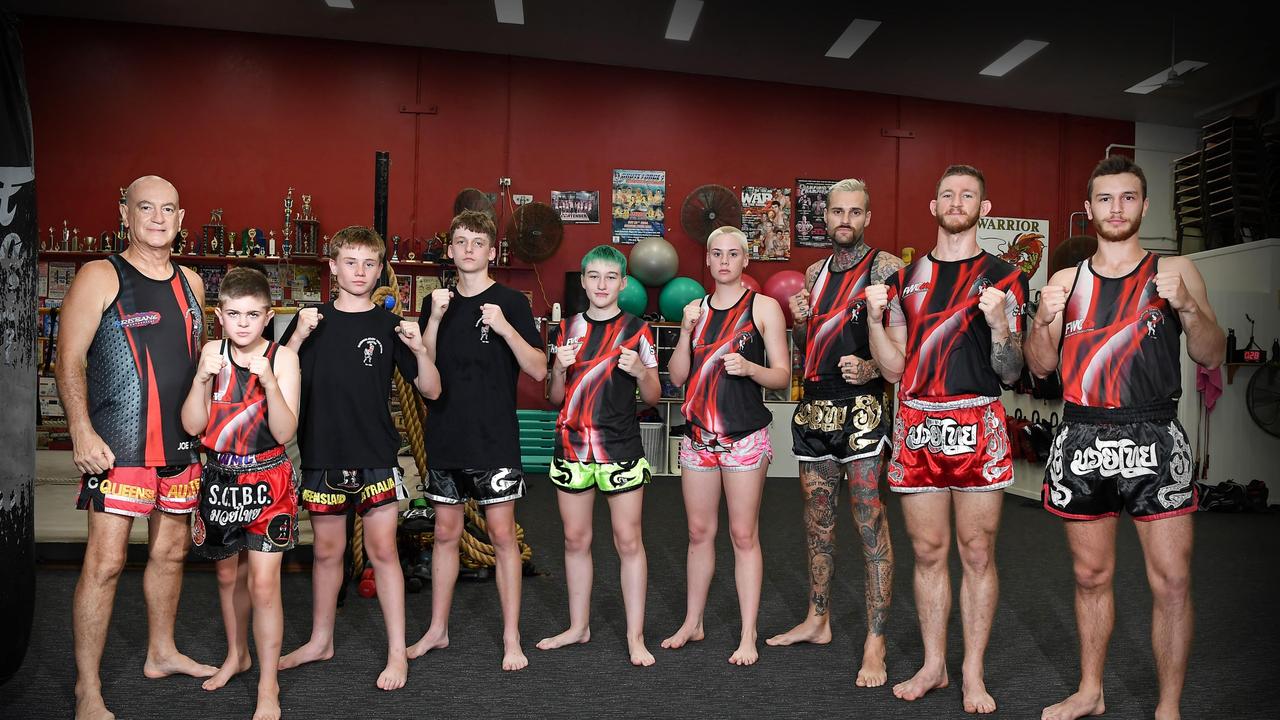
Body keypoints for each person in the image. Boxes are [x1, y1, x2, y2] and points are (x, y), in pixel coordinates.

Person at [1027, 157, 1224, 720]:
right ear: (1088, 210)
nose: (1117, 208)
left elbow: (1211, 353)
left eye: (1128, 197)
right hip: (1084, 431)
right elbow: (1040, 369)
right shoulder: (1066, 280)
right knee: (1091, 576)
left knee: (1172, 581)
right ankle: (1091, 690)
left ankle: (1168, 707)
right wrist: (1043, 321)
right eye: (1105, 199)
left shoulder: (1176, 268)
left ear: (1144, 205)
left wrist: (1186, 305)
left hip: (1154, 433)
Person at [866, 165, 1027, 714]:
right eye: (948, 195)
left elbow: (1010, 373)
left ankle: (972, 672)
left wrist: (1001, 327)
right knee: (929, 552)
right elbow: (891, 369)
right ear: (933, 207)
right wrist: (872, 321)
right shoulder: (904, 280)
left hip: (977, 421)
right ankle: (934, 664)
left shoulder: (1005, 277)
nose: (957, 202)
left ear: (985, 208)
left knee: (977, 552)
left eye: (969, 195)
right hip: (918, 423)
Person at [56, 175, 215, 720]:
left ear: (180, 216)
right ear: (124, 212)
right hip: (118, 445)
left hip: (180, 448)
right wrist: (80, 428)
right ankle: (88, 689)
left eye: (167, 208)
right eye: (145, 207)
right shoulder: (101, 275)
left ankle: (161, 652)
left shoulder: (192, 281)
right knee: (105, 562)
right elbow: (67, 359)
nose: (157, 217)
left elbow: (198, 368)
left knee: (172, 553)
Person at [277, 226, 440, 691]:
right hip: (323, 453)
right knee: (327, 553)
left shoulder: (389, 326)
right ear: (332, 266)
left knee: (383, 551)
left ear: (380, 269)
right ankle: (320, 640)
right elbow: (275, 381)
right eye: (350, 262)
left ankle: (396, 654)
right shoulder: (311, 321)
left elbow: (431, 389)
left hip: (374, 453)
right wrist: (293, 340)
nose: (360, 272)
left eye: (370, 264)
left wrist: (418, 348)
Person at [766, 178, 902, 688]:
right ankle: (818, 618)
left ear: (867, 217)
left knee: (869, 520)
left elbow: (900, 348)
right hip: (816, 409)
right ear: (826, 218)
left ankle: (875, 641)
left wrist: (870, 368)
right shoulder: (815, 272)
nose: (845, 219)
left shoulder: (886, 268)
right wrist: (801, 325)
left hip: (863, 409)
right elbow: (815, 345)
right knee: (818, 521)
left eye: (855, 212)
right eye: (837, 211)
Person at [409, 210, 547, 671]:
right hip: (446, 433)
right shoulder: (436, 303)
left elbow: (538, 369)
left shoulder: (512, 301)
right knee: (445, 533)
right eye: (461, 242)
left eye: (478, 243)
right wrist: (434, 319)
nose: (469, 250)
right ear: (450, 249)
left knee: (502, 534)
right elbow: (424, 373)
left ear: (491, 251)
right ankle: (437, 630)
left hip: (494, 438)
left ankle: (512, 638)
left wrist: (505, 326)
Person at [661, 226, 791, 666]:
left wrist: (751, 367)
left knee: (742, 534)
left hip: (743, 438)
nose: (723, 261)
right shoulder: (694, 308)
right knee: (698, 534)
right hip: (698, 436)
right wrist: (683, 331)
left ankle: (748, 634)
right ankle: (692, 622)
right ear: (709, 260)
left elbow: (782, 377)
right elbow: (677, 378)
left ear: (745, 260)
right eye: (716, 253)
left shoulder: (764, 307)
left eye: (733, 254)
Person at [180, 267, 300, 720]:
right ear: (220, 315)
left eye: (253, 314)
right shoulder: (211, 351)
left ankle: (268, 684)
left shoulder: (283, 358)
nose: (243, 323)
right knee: (229, 578)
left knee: (264, 583)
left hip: (269, 478)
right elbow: (193, 425)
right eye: (234, 314)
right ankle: (237, 655)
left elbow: (285, 431)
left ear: (268, 316)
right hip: (220, 481)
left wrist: (268, 381)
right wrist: (200, 380)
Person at [536, 245, 661, 667]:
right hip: (571, 446)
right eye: (594, 276)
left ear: (623, 283)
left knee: (628, 541)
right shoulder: (567, 328)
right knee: (575, 539)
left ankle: (635, 636)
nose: (602, 285)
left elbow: (655, 397)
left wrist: (641, 372)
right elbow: (555, 397)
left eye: (611, 277)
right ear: (584, 281)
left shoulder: (637, 330)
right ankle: (578, 626)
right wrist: (557, 366)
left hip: (619, 446)